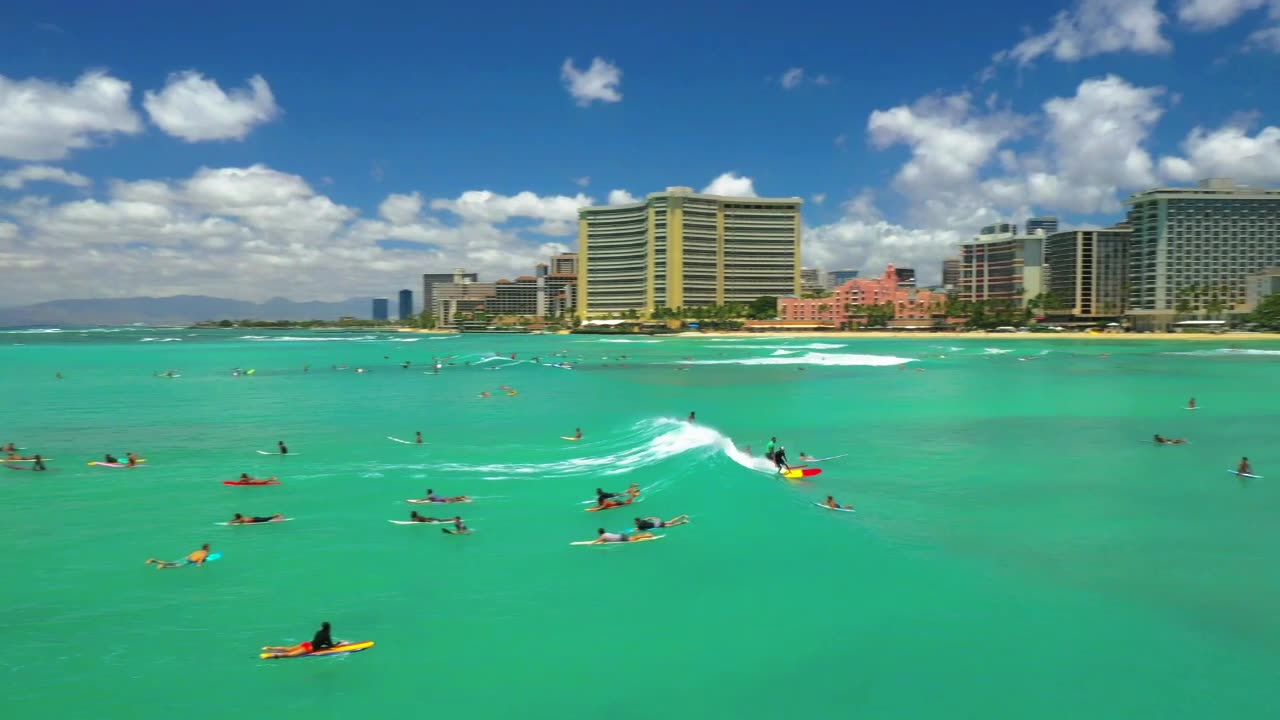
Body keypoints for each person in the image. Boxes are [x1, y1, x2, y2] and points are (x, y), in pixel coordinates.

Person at [263, 622, 336, 657]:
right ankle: (271, 655)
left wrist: (323, 644)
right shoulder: (327, 635)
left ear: (322, 627)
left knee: (289, 649)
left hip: (307, 644)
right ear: (328, 628)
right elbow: (330, 646)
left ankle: (269, 648)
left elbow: (318, 641)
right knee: (290, 655)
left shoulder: (318, 632)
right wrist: (337, 644)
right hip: (310, 648)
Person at [146, 544, 211, 569]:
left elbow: (191, 555)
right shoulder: (204, 554)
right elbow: (200, 559)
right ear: (207, 549)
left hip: (187, 558)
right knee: (178, 566)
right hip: (189, 561)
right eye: (209, 548)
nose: (210, 548)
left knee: (172, 562)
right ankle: (163, 566)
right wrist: (199, 565)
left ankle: (153, 561)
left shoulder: (198, 551)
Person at [591, 528, 655, 544]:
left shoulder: (602, 536)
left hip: (621, 538)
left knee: (634, 539)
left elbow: (598, 541)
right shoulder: (606, 533)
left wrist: (591, 544)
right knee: (634, 537)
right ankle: (646, 534)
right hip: (621, 535)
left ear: (600, 533)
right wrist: (603, 541)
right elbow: (606, 539)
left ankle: (648, 535)